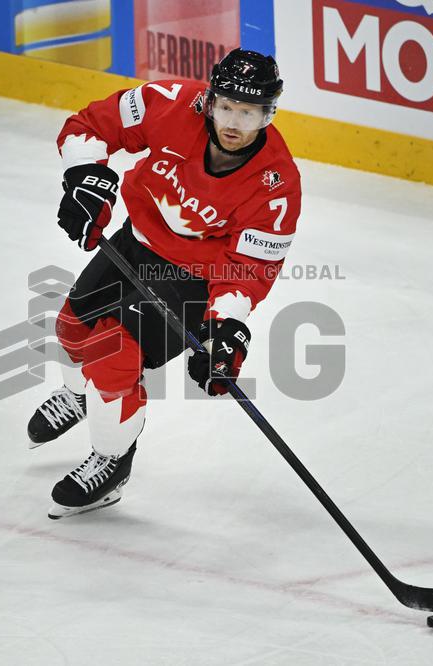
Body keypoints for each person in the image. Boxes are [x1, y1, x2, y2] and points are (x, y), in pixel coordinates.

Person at [27, 48, 302, 519]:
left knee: (113, 353)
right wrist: (87, 177)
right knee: (73, 329)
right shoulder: (171, 103)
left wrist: (225, 329)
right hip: (137, 240)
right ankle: (80, 394)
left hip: (197, 276)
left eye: (251, 112)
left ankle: (112, 461)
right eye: (227, 107)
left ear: (269, 113)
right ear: (210, 101)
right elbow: (90, 125)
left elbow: (248, 269)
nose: (235, 122)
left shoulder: (277, 184)